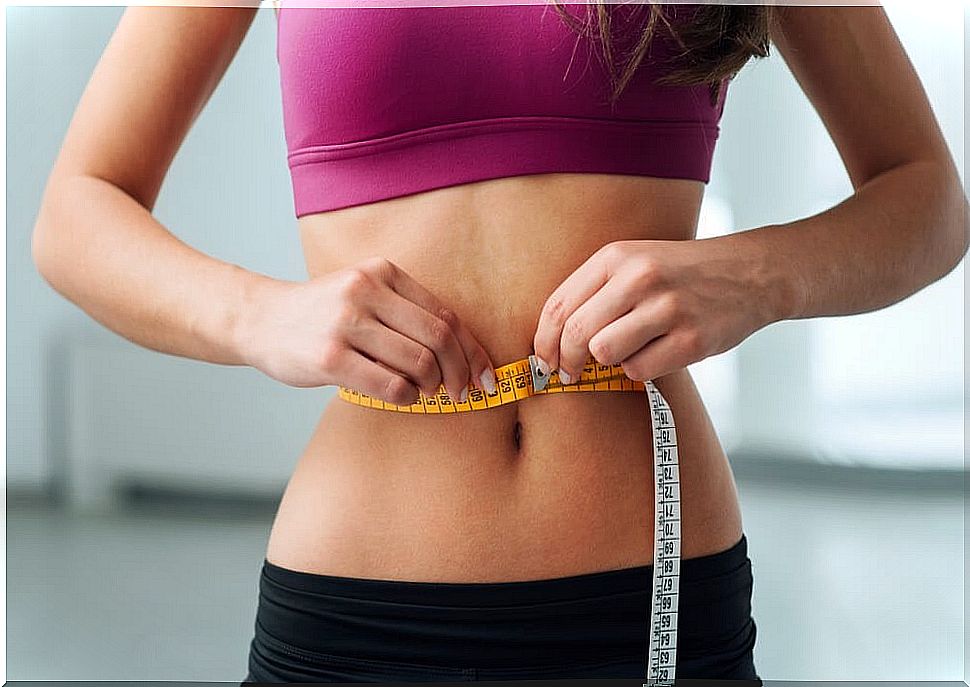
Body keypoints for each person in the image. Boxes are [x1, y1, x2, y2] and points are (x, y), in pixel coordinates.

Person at [32, 0, 967, 682]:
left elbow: (927, 198)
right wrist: (259, 314)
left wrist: (755, 275)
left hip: (652, 596)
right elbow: (77, 214)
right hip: (362, 606)